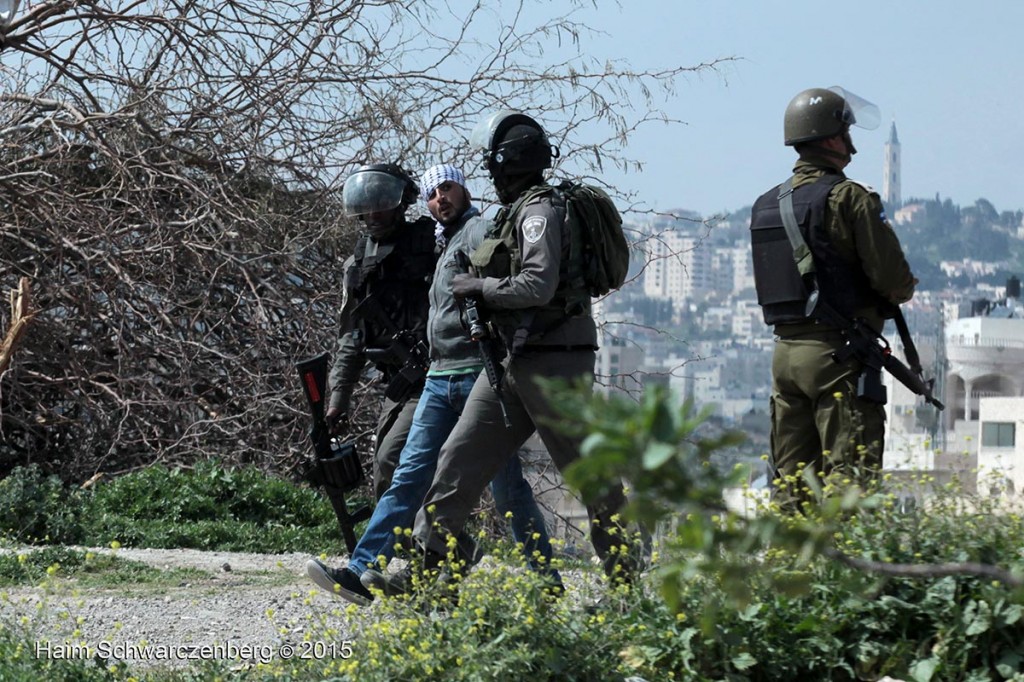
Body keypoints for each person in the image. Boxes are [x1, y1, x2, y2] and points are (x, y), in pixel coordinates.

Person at [375, 111, 638, 598]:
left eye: (491, 164)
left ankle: (628, 584)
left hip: (554, 364)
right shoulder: (518, 210)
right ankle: (433, 578)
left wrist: (480, 286)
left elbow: (536, 284)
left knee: (590, 478)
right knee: (457, 462)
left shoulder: (538, 212)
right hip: (513, 363)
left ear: (507, 163)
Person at [307, 164, 560, 605]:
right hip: (438, 379)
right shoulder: (429, 246)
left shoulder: (479, 229)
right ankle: (362, 568)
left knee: (508, 489)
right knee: (406, 474)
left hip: (482, 377)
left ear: (462, 189)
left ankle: (544, 581)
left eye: (447, 188)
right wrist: (338, 395)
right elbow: (352, 333)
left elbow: (522, 273)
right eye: (432, 193)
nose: (439, 198)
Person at [749, 86, 916, 510]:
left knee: (790, 493)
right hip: (837, 358)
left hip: (785, 359)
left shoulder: (766, 205)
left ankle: (787, 574)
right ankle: (847, 576)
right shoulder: (849, 199)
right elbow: (896, 281)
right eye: (845, 132)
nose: (852, 145)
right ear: (828, 138)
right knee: (850, 491)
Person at [326, 164, 435, 502]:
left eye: (382, 203)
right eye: (366, 205)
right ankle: (436, 547)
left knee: (392, 460)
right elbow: (351, 340)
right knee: (385, 464)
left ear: (401, 203)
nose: (373, 213)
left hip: (439, 374)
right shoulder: (356, 267)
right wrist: (338, 400)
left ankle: (410, 547)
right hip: (401, 381)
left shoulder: (432, 247)